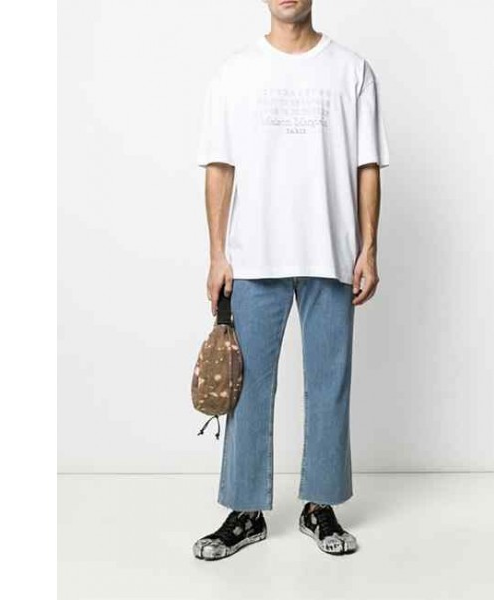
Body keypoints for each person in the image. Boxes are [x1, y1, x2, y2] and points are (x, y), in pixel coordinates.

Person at [193, 0, 389, 559]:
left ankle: (320, 505)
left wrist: (369, 248)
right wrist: (216, 254)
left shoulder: (352, 70)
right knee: (247, 387)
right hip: (254, 255)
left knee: (330, 383)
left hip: (332, 252)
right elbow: (219, 166)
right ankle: (245, 512)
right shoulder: (235, 71)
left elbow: (367, 166)